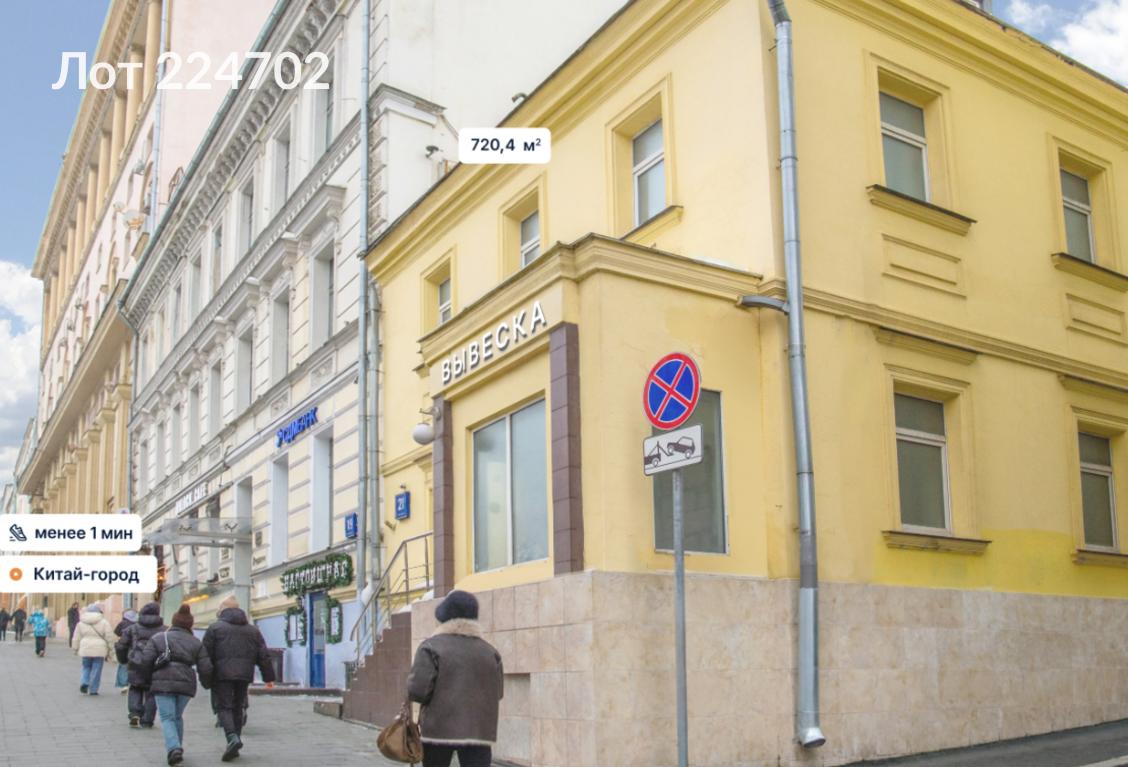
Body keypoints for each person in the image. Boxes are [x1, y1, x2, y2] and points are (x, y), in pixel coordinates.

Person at [407, 590, 504, 767]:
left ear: (444, 618)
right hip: (478, 732)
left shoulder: (430, 647)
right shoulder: (490, 652)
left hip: (438, 731)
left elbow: (417, 691)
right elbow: (497, 693)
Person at [201, 596, 275, 761]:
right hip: (244, 675)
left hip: (221, 675)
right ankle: (235, 743)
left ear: (223, 610)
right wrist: (268, 677)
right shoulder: (252, 630)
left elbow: (205, 656)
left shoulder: (215, 628)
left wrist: (206, 678)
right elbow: (263, 655)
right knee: (238, 706)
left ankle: (232, 737)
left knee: (224, 707)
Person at [142, 605, 212, 767]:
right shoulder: (196, 642)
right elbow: (206, 667)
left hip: (162, 681)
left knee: (167, 717)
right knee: (177, 716)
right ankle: (177, 749)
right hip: (186, 682)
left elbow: (146, 660)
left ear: (173, 622)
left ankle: (174, 748)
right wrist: (207, 683)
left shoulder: (159, 638)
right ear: (190, 625)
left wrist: (146, 680)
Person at [116, 603, 163, 726]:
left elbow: (121, 646)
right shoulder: (164, 630)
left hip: (136, 662)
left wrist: (123, 660)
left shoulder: (132, 628)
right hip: (155, 664)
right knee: (151, 692)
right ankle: (147, 720)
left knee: (135, 687)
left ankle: (135, 713)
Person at [73, 604, 114, 695]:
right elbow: (109, 636)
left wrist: (75, 648)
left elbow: (76, 637)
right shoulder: (104, 622)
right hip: (99, 649)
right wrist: (111, 648)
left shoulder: (81, 623)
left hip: (85, 648)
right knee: (97, 669)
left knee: (86, 667)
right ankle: (93, 689)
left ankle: (85, 682)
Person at [114, 608, 138, 694]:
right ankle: (132, 683)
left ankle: (124, 684)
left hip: (124, 646)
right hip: (135, 647)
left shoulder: (122, 623)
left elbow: (116, 632)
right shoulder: (138, 624)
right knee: (134, 666)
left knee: (123, 665)